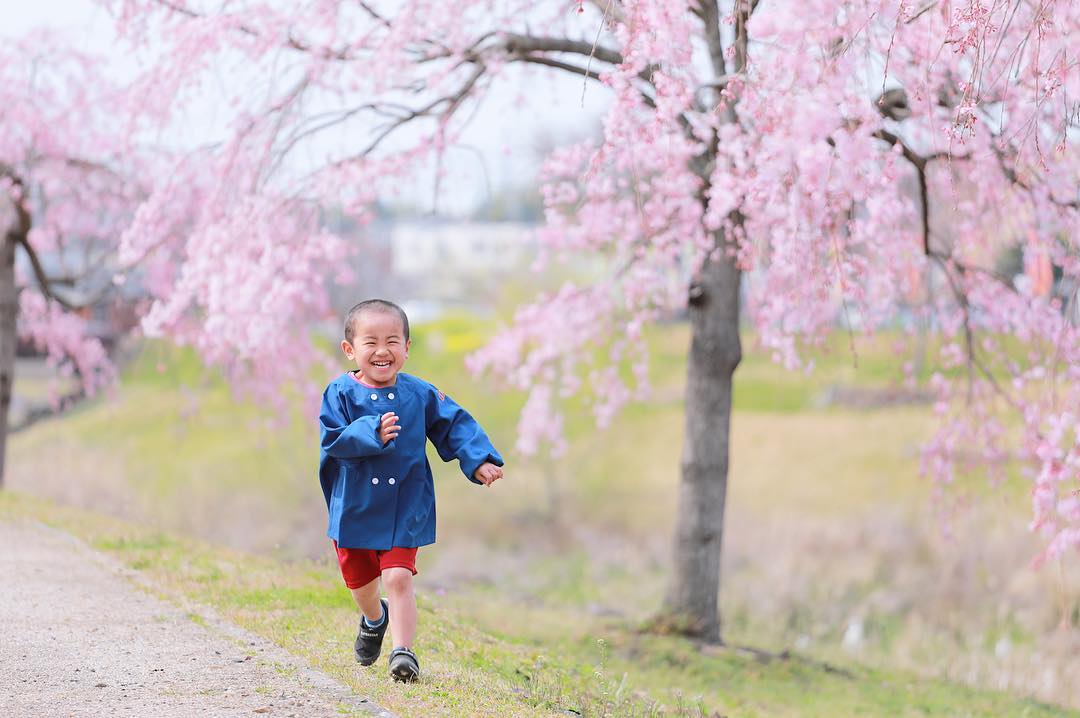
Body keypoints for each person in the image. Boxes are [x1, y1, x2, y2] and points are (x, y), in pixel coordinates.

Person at [318, 299, 505, 683]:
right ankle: (374, 619)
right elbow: (333, 440)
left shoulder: (420, 394)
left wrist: (478, 458)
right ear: (350, 349)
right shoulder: (339, 393)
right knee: (360, 583)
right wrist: (371, 432)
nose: (382, 350)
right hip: (355, 503)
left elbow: (455, 425)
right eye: (370, 342)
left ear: (406, 348)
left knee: (399, 577)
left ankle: (403, 653)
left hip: (407, 500)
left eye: (392, 341)